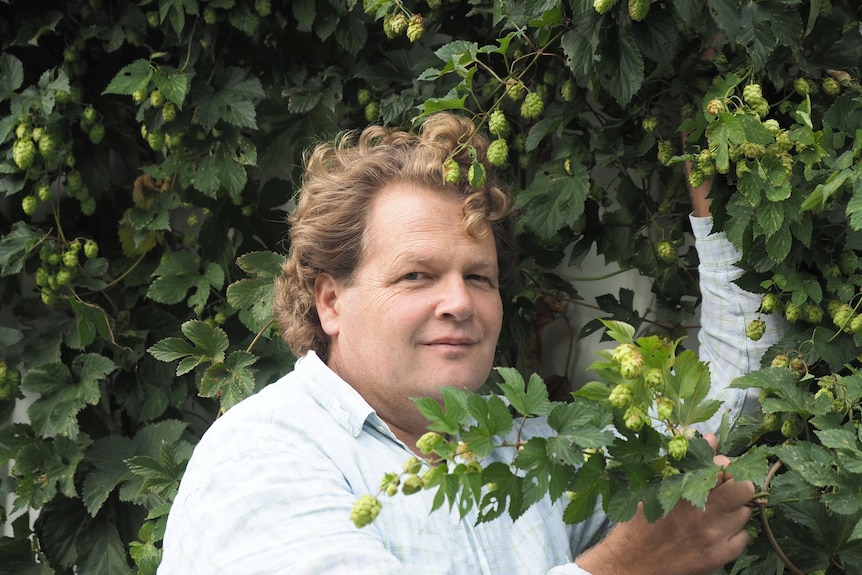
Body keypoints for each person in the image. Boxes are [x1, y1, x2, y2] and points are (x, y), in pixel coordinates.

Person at [157, 112, 778, 574]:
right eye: (416, 275)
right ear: (330, 300)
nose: (460, 301)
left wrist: (714, 196)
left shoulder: (527, 443)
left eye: (478, 277)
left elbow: (730, 403)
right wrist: (625, 566)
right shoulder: (261, 456)